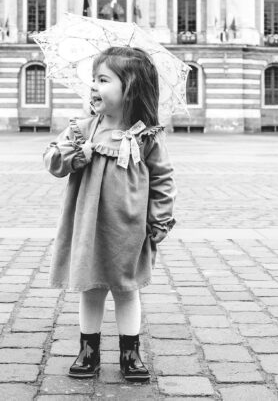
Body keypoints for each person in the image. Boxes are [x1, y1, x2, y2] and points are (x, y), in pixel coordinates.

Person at [43, 46, 177, 382]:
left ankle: (130, 353)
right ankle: (88, 350)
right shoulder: (83, 128)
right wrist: (76, 153)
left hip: (129, 228)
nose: (93, 87)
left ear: (129, 87)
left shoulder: (147, 135)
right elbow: (52, 162)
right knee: (91, 289)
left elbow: (163, 178)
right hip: (88, 225)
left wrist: (159, 218)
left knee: (126, 289)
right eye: (94, 79)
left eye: (102, 80)